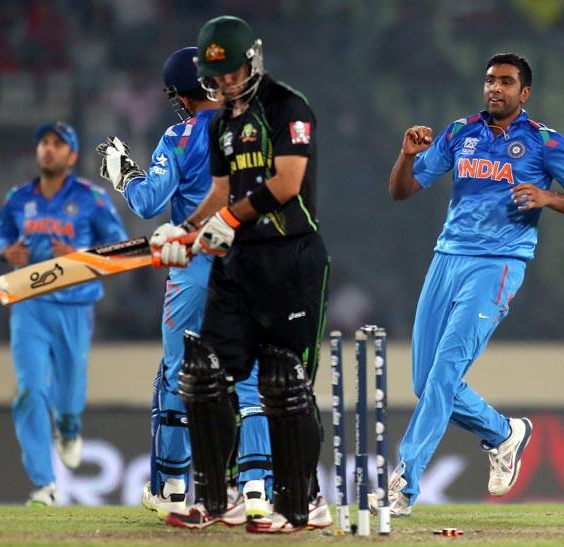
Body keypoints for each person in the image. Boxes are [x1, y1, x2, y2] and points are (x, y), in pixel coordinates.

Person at [378, 53, 564, 516]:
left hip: (498, 264)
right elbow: (402, 191)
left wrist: (549, 197)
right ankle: (503, 433)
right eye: (489, 80)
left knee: (444, 373)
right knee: (427, 382)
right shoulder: (461, 132)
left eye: (505, 82)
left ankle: (404, 479)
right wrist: (406, 156)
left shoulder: (545, 142)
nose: (494, 88)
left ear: (524, 93)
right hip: (446, 259)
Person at [149, 16, 332, 533]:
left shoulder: (287, 107)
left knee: (282, 380)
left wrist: (227, 221)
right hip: (238, 262)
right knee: (204, 373)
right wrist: (182, 231)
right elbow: (219, 193)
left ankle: (304, 502)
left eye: (233, 71)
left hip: (290, 259)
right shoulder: (221, 122)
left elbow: (288, 181)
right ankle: (216, 497)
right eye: (218, 77)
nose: (227, 83)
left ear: (251, 60)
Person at [96, 47, 274, 521]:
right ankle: (256, 488)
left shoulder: (178, 136)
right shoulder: (251, 129)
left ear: (179, 94)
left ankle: (174, 488)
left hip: (194, 266)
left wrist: (124, 174)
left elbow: (149, 202)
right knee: (250, 375)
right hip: (250, 264)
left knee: (178, 373)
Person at [0, 122, 128, 505]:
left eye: (57, 144)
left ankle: (68, 427)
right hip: (30, 304)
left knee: (67, 394)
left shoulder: (91, 199)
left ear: (72, 156)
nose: (48, 149)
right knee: (30, 391)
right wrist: (6, 251)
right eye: (44, 143)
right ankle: (45, 485)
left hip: (75, 303)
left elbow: (119, 244)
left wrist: (77, 256)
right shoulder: (18, 198)